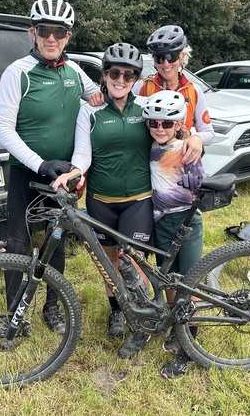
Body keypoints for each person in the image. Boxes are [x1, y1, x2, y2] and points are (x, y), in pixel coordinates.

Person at [0, 0, 102, 334]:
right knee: (17, 244)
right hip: (27, 173)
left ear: (68, 36)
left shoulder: (74, 71)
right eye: (44, 31)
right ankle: (14, 314)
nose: (51, 38)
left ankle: (52, 307)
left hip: (63, 176)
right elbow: (3, 129)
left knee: (56, 241)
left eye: (59, 32)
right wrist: (40, 165)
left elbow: (101, 97)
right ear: (33, 33)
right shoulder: (17, 72)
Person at [53, 42, 154, 359]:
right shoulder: (90, 110)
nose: (120, 80)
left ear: (136, 79)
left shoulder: (147, 107)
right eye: (114, 73)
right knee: (110, 265)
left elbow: (172, 131)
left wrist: (192, 138)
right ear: (105, 75)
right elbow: (82, 153)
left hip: (139, 199)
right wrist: (74, 172)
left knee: (133, 263)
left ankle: (142, 319)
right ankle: (118, 311)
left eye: (128, 75)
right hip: (101, 201)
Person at [141, 90, 205, 380]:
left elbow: (199, 180)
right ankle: (177, 325)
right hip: (161, 222)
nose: (160, 128)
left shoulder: (186, 149)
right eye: (153, 123)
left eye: (167, 123)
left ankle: (189, 342)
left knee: (188, 282)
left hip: (186, 221)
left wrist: (195, 141)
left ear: (178, 124)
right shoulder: (150, 147)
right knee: (168, 277)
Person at [132, 25, 214, 167]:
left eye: (171, 57)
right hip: (145, 164)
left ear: (182, 56)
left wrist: (196, 137)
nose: (166, 64)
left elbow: (209, 134)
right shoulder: (141, 87)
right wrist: (99, 96)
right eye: (160, 58)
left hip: (179, 165)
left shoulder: (194, 91)